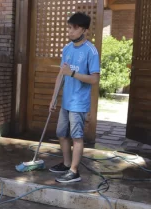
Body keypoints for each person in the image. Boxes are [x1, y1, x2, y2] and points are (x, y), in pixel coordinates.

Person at [49, 12, 100, 183]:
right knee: (61, 134)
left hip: (79, 102)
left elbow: (94, 79)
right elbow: (61, 75)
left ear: (84, 30)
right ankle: (66, 163)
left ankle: (74, 171)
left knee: (76, 136)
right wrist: (54, 97)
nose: (70, 31)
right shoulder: (67, 49)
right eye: (69, 28)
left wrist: (72, 72)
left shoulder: (91, 51)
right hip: (66, 101)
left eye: (74, 28)